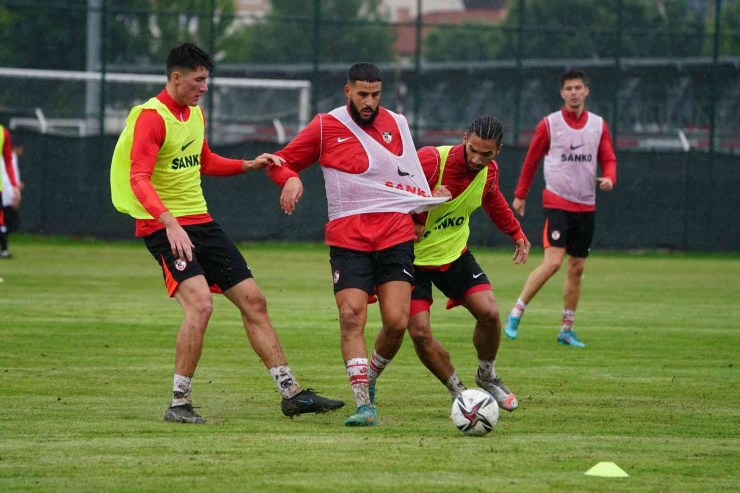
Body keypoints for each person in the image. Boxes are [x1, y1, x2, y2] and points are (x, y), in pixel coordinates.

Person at [109, 42, 344, 424]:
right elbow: (138, 179)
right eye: (198, 80)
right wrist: (170, 222)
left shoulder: (194, 113)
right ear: (176, 77)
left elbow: (204, 161)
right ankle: (179, 403)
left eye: (206, 80)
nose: (204, 87)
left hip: (200, 221)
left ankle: (292, 394)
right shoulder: (151, 117)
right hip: (164, 226)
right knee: (201, 305)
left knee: (254, 300)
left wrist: (249, 164)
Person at [267, 63, 448, 427]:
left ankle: (372, 378)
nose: (369, 102)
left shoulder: (397, 123)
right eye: (362, 94)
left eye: (376, 95)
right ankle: (364, 404)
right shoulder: (325, 125)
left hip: (395, 235)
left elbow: (408, 177)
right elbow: (280, 162)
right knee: (351, 316)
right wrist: (288, 179)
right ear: (347, 91)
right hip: (348, 239)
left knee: (396, 323)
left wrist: (424, 208)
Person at [396, 116, 530, 410]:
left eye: (487, 154)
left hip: (453, 255)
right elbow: (392, 192)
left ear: (499, 151)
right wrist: (423, 205)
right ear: (464, 137)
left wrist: (515, 232)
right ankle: (460, 393)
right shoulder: (431, 160)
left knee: (490, 313)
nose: (477, 159)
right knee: (417, 333)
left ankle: (487, 376)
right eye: (473, 149)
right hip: (410, 258)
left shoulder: (489, 173)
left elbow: (493, 200)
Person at [503, 69, 617, 348]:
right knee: (553, 263)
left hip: (586, 205)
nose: (574, 92)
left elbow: (609, 158)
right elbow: (531, 161)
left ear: (586, 91)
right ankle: (516, 312)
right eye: (569, 88)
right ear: (562, 93)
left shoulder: (598, 125)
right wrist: (520, 195)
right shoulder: (550, 124)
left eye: (579, 87)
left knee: (576, 268)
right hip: (557, 202)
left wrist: (610, 178)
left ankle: (567, 328)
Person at [0, 125, 21, 259]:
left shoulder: (3, 132)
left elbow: (8, 161)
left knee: (3, 222)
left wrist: (14, 185)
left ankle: (4, 249)